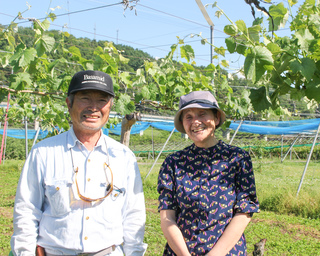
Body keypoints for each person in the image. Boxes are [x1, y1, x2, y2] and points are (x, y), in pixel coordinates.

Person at [11, 70, 147, 256]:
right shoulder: (43, 153)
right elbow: (26, 212)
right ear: (69, 104)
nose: (93, 107)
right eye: (85, 98)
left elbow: (134, 216)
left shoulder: (124, 157)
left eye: (102, 100)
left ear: (110, 106)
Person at [157, 91, 259, 256]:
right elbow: (167, 217)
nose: (195, 122)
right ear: (183, 123)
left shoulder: (237, 159)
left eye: (202, 114)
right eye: (188, 117)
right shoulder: (174, 162)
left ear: (216, 118)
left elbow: (244, 211)